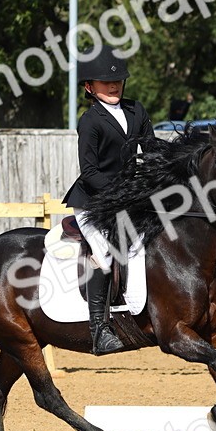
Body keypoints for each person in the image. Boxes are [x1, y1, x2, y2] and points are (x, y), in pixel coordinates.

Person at [62, 46, 154, 355]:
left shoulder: (136, 111)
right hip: (93, 201)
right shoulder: (90, 121)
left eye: (117, 81)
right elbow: (89, 173)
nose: (113, 86)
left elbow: (152, 151)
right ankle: (99, 331)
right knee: (104, 253)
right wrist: (123, 195)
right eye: (104, 82)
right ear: (90, 87)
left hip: (127, 199)